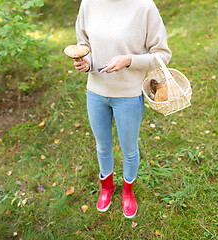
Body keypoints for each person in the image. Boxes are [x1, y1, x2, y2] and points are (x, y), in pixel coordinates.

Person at [71, 0, 171, 218]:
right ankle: (107, 188)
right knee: (102, 146)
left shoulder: (145, 7)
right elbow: (84, 44)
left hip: (128, 94)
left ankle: (128, 192)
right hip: (95, 92)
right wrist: (85, 62)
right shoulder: (89, 3)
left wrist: (129, 60)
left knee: (129, 149)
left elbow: (163, 54)